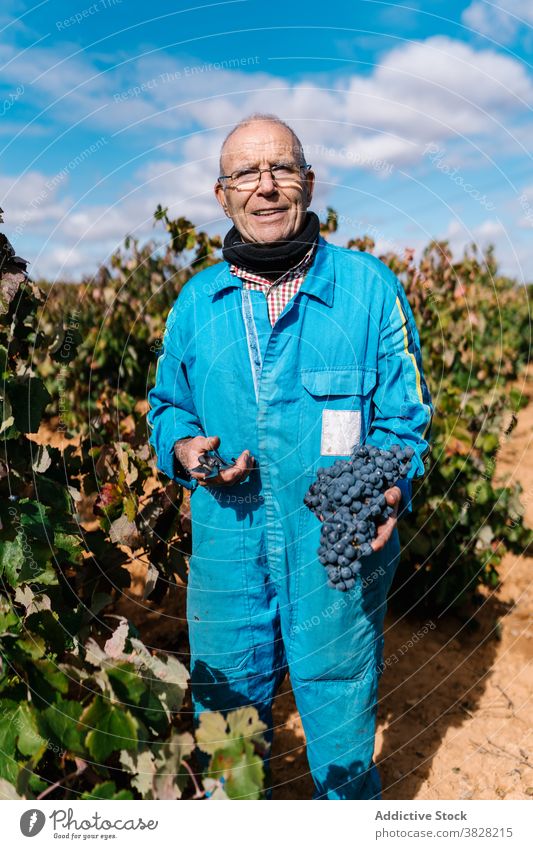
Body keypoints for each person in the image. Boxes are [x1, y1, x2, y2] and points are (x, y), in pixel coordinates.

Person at [147, 112, 433, 799]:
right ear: (223, 195)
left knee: (339, 734)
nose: (265, 186)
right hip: (226, 546)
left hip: (335, 549)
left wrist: (388, 488)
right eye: (246, 172)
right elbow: (166, 406)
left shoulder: (369, 290)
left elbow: (404, 419)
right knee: (228, 736)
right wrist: (183, 446)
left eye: (280, 170)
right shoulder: (195, 305)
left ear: (307, 182)